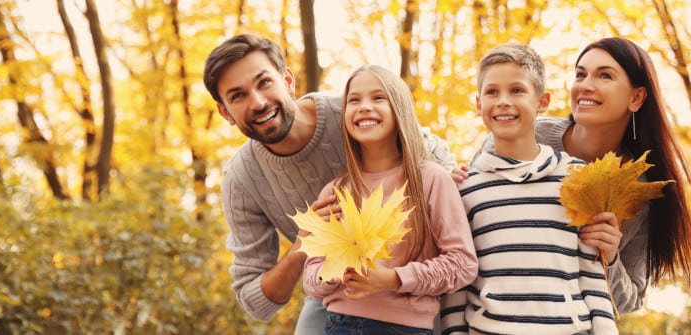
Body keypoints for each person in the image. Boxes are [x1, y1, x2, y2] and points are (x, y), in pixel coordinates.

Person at [202, 33, 461, 334]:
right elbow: (256, 301)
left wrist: (446, 179)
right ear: (225, 112)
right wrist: (303, 245)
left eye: (264, 82)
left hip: (415, 269)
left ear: (287, 80)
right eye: (238, 95)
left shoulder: (354, 111)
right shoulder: (241, 179)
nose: (258, 102)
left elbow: (433, 152)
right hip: (336, 285)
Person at [468, 37, 691, 315]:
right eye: (580, 74)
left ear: (636, 98)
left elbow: (628, 302)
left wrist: (610, 257)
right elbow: (468, 227)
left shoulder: (639, 191)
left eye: (604, 75)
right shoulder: (527, 132)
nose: (585, 85)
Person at [440, 42, 618, 335]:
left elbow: (592, 272)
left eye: (517, 90)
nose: (503, 101)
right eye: (492, 92)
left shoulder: (578, 179)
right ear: (478, 104)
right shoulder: (465, 190)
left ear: (542, 102)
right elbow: (458, 284)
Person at [302, 64, 478, 334]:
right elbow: (311, 280)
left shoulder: (431, 180)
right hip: (340, 326)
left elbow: (463, 263)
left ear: (399, 108)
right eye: (354, 100)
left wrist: (395, 279)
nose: (364, 106)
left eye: (378, 97)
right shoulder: (334, 192)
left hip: (405, 328)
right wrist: (336, 271)